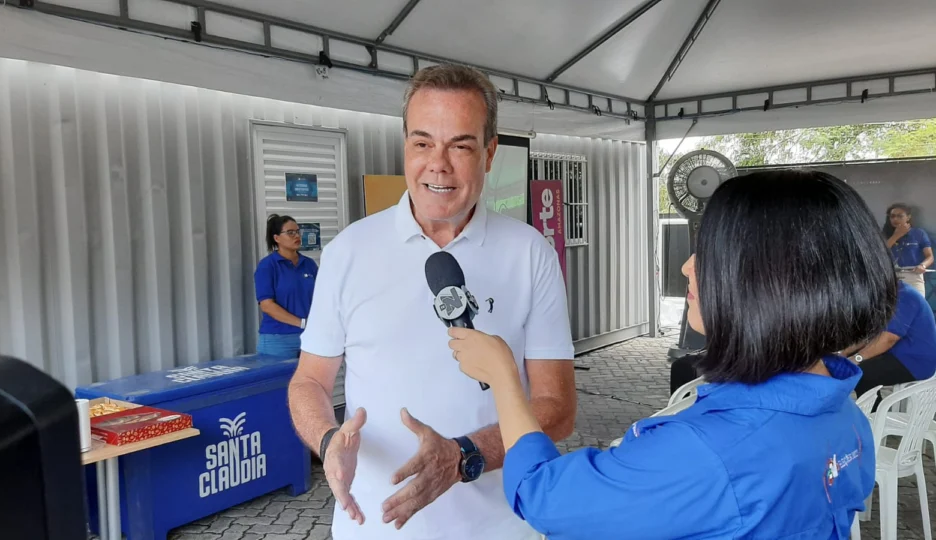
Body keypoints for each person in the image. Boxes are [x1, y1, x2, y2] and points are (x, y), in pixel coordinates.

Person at [449, 170, 894, 539]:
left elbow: (541, 496)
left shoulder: (706, 453)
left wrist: (505, 378)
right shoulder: (845, 417)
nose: (687, 266)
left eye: (711, 253)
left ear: (768, 283)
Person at [287, 64, 577, 540]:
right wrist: (328, 439)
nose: (438, 164)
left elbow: (557, 407)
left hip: (500, 529)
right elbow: (309, 381)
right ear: (405, 144)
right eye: (423, 143)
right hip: (374, 530)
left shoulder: (530, 253)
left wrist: (464, 455)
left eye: (460, 146)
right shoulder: (348, 252)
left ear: (489, 153)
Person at [847, 280, 936, 404]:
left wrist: (856, 358)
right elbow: (870, 336)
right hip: (898, 354)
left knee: (860, 373)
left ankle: (873, 412)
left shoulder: (905, 296)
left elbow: (888, 339)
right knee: (847, 364)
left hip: (916, 362)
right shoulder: (885, 295)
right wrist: (843, 353)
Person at [254, 214, 318, 357]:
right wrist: (301, 323)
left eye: (298, 231)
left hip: (309, 337)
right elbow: (267, 305)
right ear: (276, 238)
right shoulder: (267, 266)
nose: (297, 236)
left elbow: (321, 297)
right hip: (278, 340)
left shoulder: (309, 264)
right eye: (290, 233)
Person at [884, 202, 933, 296]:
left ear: (908, 217)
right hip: (892, 276)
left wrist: (922, 266)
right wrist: (896, 235)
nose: (895, 219)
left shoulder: (919, 233)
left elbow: (930, 256)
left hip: (914, 275)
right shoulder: (885, 234)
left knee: (917, 303)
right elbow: (881, 252)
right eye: (892, 216)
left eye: (900, 216)